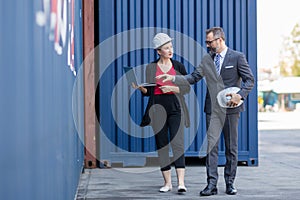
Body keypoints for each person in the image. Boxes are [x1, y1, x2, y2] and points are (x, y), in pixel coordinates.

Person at [156, 27, 255, 196]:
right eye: (207, 42)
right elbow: (194, 77)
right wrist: (174, 78)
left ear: (220, 40)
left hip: (231, 109)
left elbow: (249, 80)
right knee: (211, 148)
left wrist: (240, 95)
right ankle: (211, 185)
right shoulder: (207, 59)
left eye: (210, 42)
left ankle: (230, 183)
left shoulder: (237, 57)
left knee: (231, 147)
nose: (208, 45)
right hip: (212, 109)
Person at [133, 33, 190, 193]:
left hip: (175, 107)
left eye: (171, 46)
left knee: (177, 144)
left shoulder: (178, 66)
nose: (170, 50)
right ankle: (167, 183)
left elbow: (186, 88)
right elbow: (148, 92)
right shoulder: (151, 68)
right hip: (157, 109)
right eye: (166, 48)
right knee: (162, 144)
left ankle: (181, 182)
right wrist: (140, 88)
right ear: (158, 51)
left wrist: (172, 88)